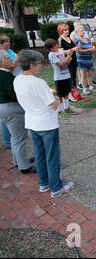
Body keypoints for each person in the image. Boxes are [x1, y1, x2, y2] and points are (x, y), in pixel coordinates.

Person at [13, 50, 74, 198]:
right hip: (46, 123)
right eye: (39, 64)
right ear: (31, 64)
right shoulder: (38, 82)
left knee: (39, 154)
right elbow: (52, 105)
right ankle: (56, 187)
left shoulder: (17, 80)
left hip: (32, 121)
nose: (40, 66)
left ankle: (44, 182)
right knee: (52, 155)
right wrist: (57, 99)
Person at [0, 50, 35, 174]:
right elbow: (14, 94)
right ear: (2, 62)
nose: (11, 60)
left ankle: (18, 160)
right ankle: (24, 166)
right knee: (20, 138)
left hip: (4, 108)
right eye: (8, 59)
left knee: (15, 138)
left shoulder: (5, 74)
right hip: (11, 108)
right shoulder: (5, 76)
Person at [45, 38, 76, 118]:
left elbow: (67, 63)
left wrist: (69, 58)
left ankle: (67, 109)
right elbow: (61, 64)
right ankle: (59, 112)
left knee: (66, 93)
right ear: (50, 48)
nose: (56, 46)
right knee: (60, 95)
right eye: (54, 46)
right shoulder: (51, 55)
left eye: (56, 44)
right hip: (59, 78)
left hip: (66, 75)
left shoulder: (60, 52)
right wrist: (68, 56)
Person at [74, 26, 96, 96]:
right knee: (83, 75)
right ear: (77, 33)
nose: (83, 32)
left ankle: (91, 87)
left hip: (89, 59)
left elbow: (92, 47)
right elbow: (79, 50)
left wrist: (93, 48)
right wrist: (89, 50)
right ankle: (84, 89)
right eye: (81, 31)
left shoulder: (87, 39)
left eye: (83, 30)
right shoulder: (77, 40)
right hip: (82, 60)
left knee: (90, 74)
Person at [57, 23, 79, 89]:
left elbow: (74, 47)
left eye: (68, 30)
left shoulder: (69, 38)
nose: (67, 31)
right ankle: (71, 92)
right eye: (65, 30)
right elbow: (61, 52)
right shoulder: (60, 39)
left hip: (73, 59)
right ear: (61, 31)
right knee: (69, 77)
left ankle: (74, 91)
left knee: (74, 77)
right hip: (67, 61)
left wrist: (77, 48)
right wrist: (72, 49)